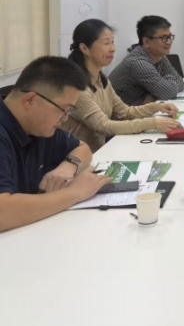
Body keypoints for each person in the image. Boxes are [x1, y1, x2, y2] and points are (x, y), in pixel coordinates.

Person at [0, 56, 114, 232]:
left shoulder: (36, 127)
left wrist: (69, 166)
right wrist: (75, 193)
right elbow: (3, 213)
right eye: (64, 110)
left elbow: (83, 149)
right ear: (30, 100)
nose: (65, 119)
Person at [63, 19, 180, 152]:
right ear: (84, 48)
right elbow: (104, 126)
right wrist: (152, 123)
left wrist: (157, 107)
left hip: (102, 151)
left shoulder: (101, 79)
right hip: (81, 158)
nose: (112, 48)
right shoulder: (78, 87)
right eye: (106, 43)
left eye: (112, 42)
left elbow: (124, 112)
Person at [109, 16, 184, 106]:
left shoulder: (160, 56)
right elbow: (168, 92)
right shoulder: (138, 62)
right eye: (164, 38)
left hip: (140, 109)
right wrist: (162, 88)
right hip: (119, 113)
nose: (169, 42)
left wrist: (156, 94)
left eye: (170, 37)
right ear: (147, 42)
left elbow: (181, 83)